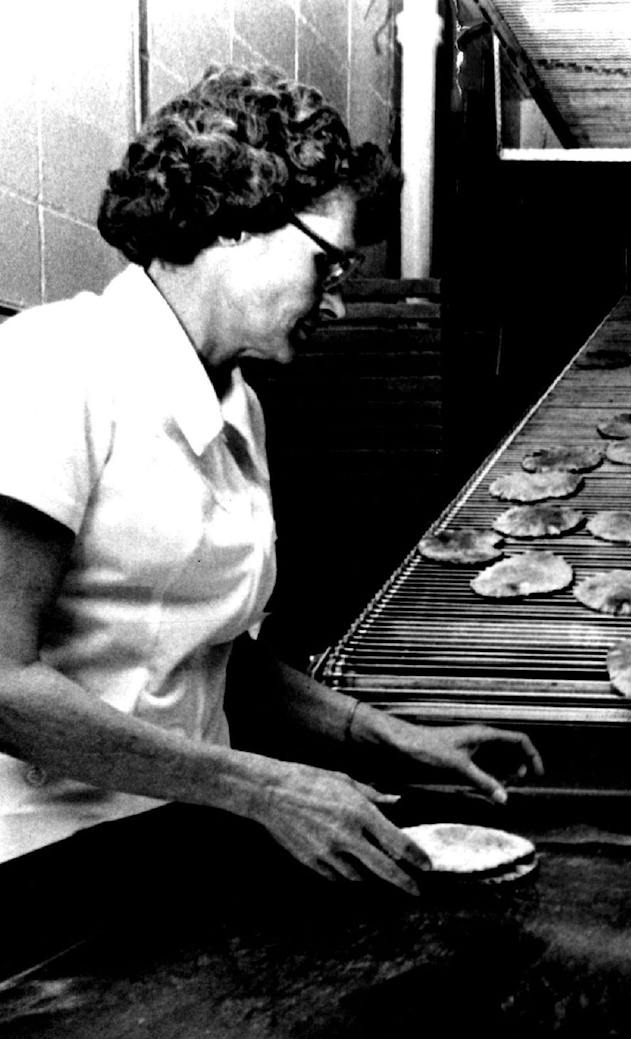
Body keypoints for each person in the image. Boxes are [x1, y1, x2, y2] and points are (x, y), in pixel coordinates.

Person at [0, 64, 541, 898]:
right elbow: (1, 680)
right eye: (329, 264)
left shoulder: (237, 403)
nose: (337, 302)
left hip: (174, 842)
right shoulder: (54, 365)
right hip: (42, 874)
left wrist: (388, 736)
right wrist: (262, 786)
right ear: (237, 221)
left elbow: (209, 650)